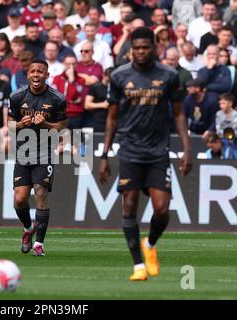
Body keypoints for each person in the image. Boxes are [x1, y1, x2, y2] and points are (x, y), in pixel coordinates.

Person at [98, 27, 192, 281]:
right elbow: (111, 118)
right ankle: (138, 267)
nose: (141, 52)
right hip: (129, 149)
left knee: (162, 208)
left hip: (158, 150)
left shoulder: (169, 75)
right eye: (136, 47)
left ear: (154, 47)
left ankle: (149, 244)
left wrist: (186, 149)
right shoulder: (119, 76)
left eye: (145, 47)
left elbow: (180, 113)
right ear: (130, 49)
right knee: (128, 204)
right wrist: (105, 155)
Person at [8, 58, 67, 256]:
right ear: (27, 75)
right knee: (20, 200)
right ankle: (28, 229)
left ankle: (39, 244)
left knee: (41, 193)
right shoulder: (16, 97)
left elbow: (61, 126)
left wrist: (46, 126)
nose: (36, 75)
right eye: (32, 71)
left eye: (40, 72)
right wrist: (20, 125)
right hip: (23, 153)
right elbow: (9, 125)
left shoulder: (57, 98)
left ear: (47, 75)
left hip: (44, 152)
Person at [85, 67, 113, 132]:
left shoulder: (116, 87)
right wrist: (102, 105)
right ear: (104, 75)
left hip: (112, 120)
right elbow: (87, 105)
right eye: (108, 77)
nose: (111, 80)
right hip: (98, 120)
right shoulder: (95, 87)